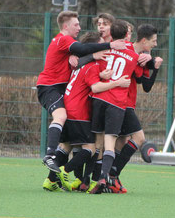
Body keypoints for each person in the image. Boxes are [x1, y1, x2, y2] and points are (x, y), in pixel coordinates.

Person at [36, 10, 126, 173]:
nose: (79, 27)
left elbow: (81, 54)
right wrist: (109, 46)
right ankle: (50, 155)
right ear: (65, 26)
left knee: (70, 142)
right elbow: (83, 48)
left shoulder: (67, 44)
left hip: (62, 90)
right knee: (62, 118)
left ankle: (56, 178)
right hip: (49, 87)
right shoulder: (63, 39)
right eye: (76, 24)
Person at [88, 20, 143, 194]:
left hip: (99, 98)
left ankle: (92, 179)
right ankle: (105, 177)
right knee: (110, 142)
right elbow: (139, 75)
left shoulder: (103, 50)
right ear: (127, 34)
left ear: (111, 34)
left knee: (98, 143)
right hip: (117, 102)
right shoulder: (133, 56)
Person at [109, 24, 163, 193]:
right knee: (139, 139)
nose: (155, 44)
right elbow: (141, 81)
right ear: (144, 40)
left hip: (124, 103)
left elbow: (146, 86)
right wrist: (152, 63)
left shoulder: (143, 55)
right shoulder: (131, 53)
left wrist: (154, 66)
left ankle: (109, 178)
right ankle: (111, 174)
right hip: (121, 103)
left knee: (121, 142)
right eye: (153, 41)